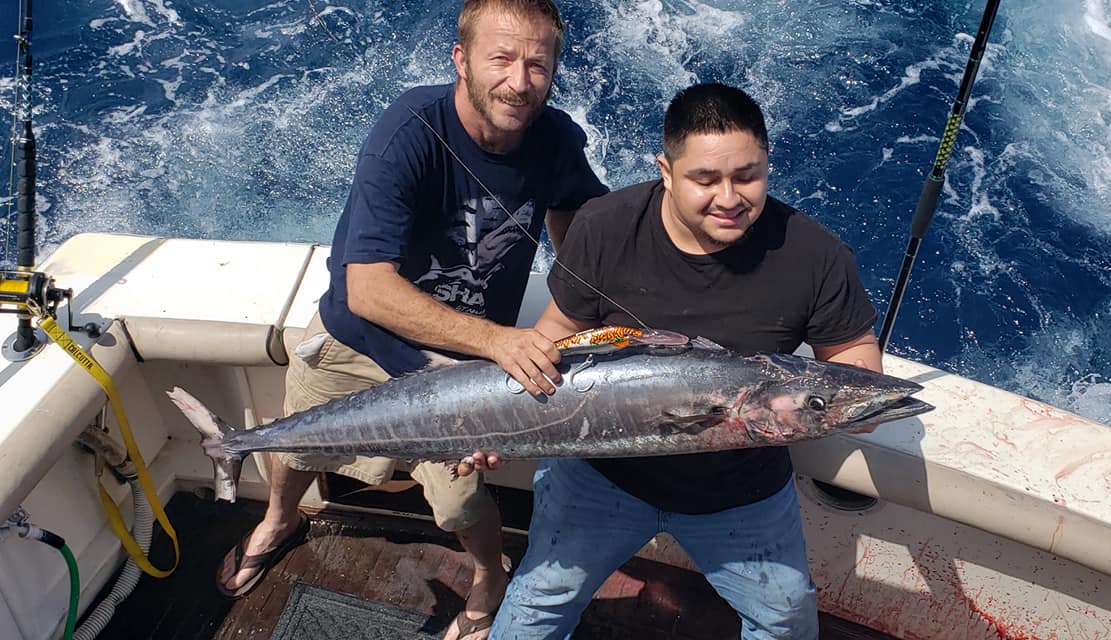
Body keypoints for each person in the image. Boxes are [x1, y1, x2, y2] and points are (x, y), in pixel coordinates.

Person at [214, 2, 606, 640]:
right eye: (501, 59)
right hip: (361, 340)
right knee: (294, 447)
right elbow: (367, 290)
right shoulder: (410, 130)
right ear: (461, 60)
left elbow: (584, 233)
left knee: (459, 502)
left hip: (464, 367)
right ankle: (281, 519)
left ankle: (489, 573)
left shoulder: (556, 138)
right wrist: (499, 341)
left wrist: (577, 312)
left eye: (538, 64)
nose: (519, 81)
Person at [487, 82, 885, 639]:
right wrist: (495, 427)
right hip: (599, 478)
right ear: (667, 172)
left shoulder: (817, 255)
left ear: (767, 163)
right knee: (537, 606)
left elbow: (851, 357)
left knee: (786, 621)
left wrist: (848, 398)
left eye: (747, 175)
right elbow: (554, 339)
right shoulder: (605, 225)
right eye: (705, 179)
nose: (729, 197)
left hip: (740, 494)